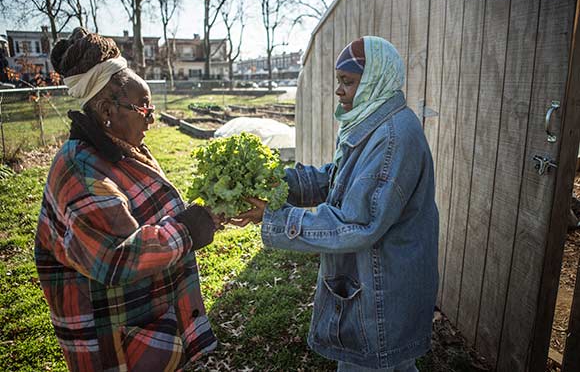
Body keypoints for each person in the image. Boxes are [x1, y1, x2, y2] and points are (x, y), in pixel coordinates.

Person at [233, 36, 439, 371]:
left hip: (383, 290)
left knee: (372, 362)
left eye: (348, 82)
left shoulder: (392, 137)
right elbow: (338, 179)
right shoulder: (375, 124)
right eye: (339, 81)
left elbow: (358, 224)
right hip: (382, 279)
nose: (339, 91)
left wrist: (277, 217)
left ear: (375, 80)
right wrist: (279, 184)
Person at [34, 28, 219, 372]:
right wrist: (188, 230)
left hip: (146, 327)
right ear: (107, 110)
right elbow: (117, 258)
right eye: (143, 106)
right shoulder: (81, 173)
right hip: (117, 346)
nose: (151, 115)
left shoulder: (120, 148)